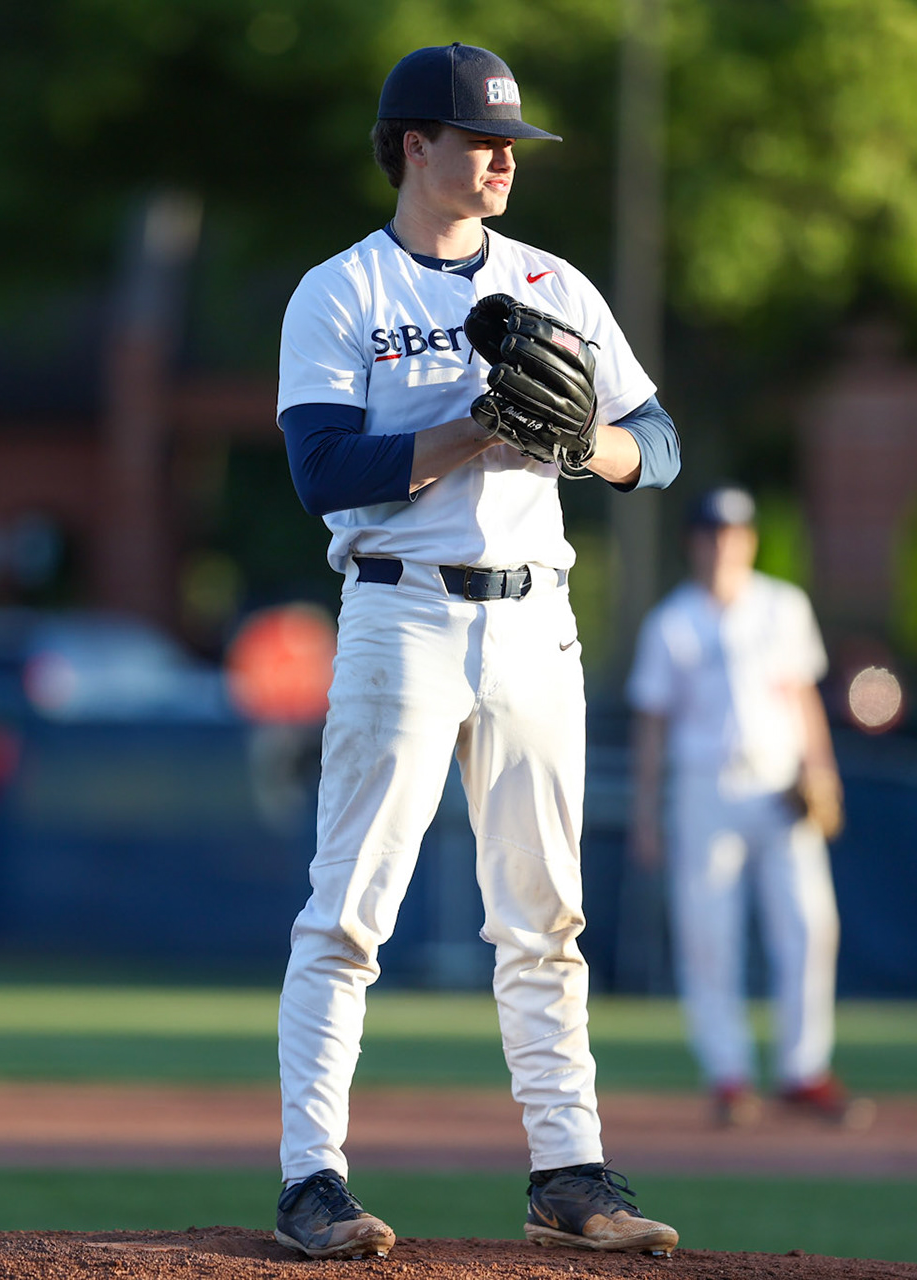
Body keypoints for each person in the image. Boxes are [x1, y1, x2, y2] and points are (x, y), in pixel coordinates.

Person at [272, 41, 682, 1261]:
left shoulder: (553, 281)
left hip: (534, 621)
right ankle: (312, 1177)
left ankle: (569, 1172)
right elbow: (322, 469)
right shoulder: (342, 290)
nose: (504, 160)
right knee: (350, 914)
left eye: (511, 144)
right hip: (401, 610)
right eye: (481, 140)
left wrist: (582, 443)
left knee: (545, 916)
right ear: (415, 147)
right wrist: (476, 427)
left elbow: (658, 446)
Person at [627, 486, 872, 1130]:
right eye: (713, 533)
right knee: (709, 933)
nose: (724, 544)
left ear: (750, 540)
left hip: (779, 784)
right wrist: (646, 813)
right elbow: (652, 723)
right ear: (694, 542)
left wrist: (823, 769)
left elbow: (802, 696)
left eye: (734, 532)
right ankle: (729, 1074)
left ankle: (803, 1068)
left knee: (809, 922)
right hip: (704, 786)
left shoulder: (783, 606)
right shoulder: (672, 621)